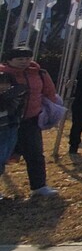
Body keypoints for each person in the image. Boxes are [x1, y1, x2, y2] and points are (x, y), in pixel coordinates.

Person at [2, 47, 58, 196]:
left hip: (30, 120)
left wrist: (48, 112)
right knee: (2, 155)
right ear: (9, 60)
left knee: (35, 153)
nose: (24, 62)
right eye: (20, 59)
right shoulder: (3, 74)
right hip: (5, 123)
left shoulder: (39, 73)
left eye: (27, 58)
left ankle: (39, 186)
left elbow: (49, 93)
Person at [0, 70, 29, 200]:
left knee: (2, 161)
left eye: (6, 83)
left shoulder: (15, 96)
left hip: (10, 130)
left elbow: (20, 91)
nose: (3, 86)